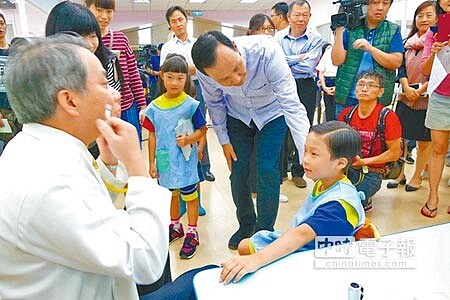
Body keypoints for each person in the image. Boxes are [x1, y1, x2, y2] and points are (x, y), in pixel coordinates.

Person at [0, 35, 170, 299]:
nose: (115, 94)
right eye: (104, 84)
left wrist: (110, 162)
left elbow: (89, 208)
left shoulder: (39, 146)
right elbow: (145, 260)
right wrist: (137, 168)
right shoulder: (46, 182)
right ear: (69, 101)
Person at [191, 31, 310, 250]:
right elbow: (215, 105)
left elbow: (292, 104)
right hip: (237, 116)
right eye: (225, 79)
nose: (237, 79)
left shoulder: (267, 52)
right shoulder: (205, 72)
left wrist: (307, 154)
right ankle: (246, 224)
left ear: (235, 47)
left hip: (273, 114)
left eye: (237, 68)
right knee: (238, 170)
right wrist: (224, 141)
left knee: (266, 169)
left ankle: (263, 231)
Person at [219, 121, 365, 284]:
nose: (305, 160)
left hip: (312, 257)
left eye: (314, 154)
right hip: (309, 243)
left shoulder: (338, 205)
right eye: (305, 151)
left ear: (341, 163)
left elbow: (301, 235)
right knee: (245, 246)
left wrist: (256, 260)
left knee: (245, 249)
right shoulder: (327, 181)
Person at [143, 54, 207, 259]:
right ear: (162, 77)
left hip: (185, 159)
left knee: (190, 195)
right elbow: (152, 135)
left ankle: (192, 231)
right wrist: (151, 162)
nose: (174, 82)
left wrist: (189, 141)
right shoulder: (153, 107)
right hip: (164, 159)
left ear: (186, 79)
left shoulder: (191, 105)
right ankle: (175, 225)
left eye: (180, 78)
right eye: (170, 77)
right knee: (171, 193)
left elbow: (202, 129)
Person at [160, 6, 216, 184]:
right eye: (173, 21)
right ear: (169, 25)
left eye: (180, 19)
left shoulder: (198, 43)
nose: (178, 24)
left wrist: (183, 69)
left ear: (186, 20)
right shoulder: (167, 47)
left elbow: (205, 68)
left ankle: (204, 168)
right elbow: (166, 70)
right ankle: (183, 165)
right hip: (177, 90)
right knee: (180, 127)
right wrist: (189, 69)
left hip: (198, 88)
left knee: (200, 126)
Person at [386, 1, 436, 192]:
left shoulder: (439, 43)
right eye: (420, 15)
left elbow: (440, 72)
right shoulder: (409, 42)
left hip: (426, 100)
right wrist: (407, 87)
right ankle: (400, 174)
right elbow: (402, 68)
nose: (423, 19)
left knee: (424, 142)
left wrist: (421, 89)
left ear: (438, 18)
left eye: (428, 15)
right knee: (402, 139)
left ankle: (417, 177)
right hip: (405, 97)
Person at [274, 0, 324, 189]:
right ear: (289, 17)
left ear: (310, 17)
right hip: (281, 85)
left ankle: (298, 171)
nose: (301, 19)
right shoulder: (278, 37)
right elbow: (275, 63)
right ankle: (280, 171)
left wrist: (287, 61)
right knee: (280, 126)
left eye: (305, 15)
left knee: (304, 127)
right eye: (297, 15)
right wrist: (297, 58)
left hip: (305, 86)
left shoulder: (316, 38)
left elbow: (308, 66)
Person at [338, 70, 402, 212]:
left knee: (350, 205)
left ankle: (364, 198)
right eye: (360, 84)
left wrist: (363, 162)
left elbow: (395, 153)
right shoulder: (347, 114)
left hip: (372, 171)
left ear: (380, 92)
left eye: (371, 85)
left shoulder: (387, 117)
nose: (364, 89)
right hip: (345, 167)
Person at [85, 0, 146, 142]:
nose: (104, 16)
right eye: (99, 10)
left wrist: (142, 105)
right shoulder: (84, 41)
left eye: (109, 11)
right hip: (98, 111)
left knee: (131, 149)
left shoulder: (121, 39)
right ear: (88, 8)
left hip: (126, 107)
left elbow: (133, 75)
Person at [331, 0, 404, 117]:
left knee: (372, 134)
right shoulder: (351, 29)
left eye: (385, 3)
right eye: (375, 3)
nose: (380, 7)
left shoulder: (393, 29)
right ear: (365, 4)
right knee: (343, 134)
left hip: (376, 98)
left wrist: (370, 49)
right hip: (348, 95)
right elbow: (337, 61)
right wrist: (339, 30)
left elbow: (396, 62)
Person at [246, 13, 287, 203]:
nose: (267, 33)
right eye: (263, 29)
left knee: (272, 157)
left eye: (271, 29)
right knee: (254, 154)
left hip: (274, 111)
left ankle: (271, 193)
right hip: (247, 113)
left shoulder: (275, 51)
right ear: (251, 32)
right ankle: (254, 191)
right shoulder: (244, 55)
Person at [420, 0, 450, 218]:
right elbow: (426, 69)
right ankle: (433, 196)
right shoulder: (436, 29)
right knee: (438, 148)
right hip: (441, 95)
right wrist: (436, 51)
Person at [0, 13, 20, 156]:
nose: (0, 27)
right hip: (3, 109)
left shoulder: (16, 50)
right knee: (9, 147)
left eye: (1, 23)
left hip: (20, 105)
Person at [316, 42, 338, 122]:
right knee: (329, 109)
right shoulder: (328, 52)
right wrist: (324, 87)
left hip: (339, 80)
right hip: (327, 81)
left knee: (338, 110)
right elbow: (321, 71)